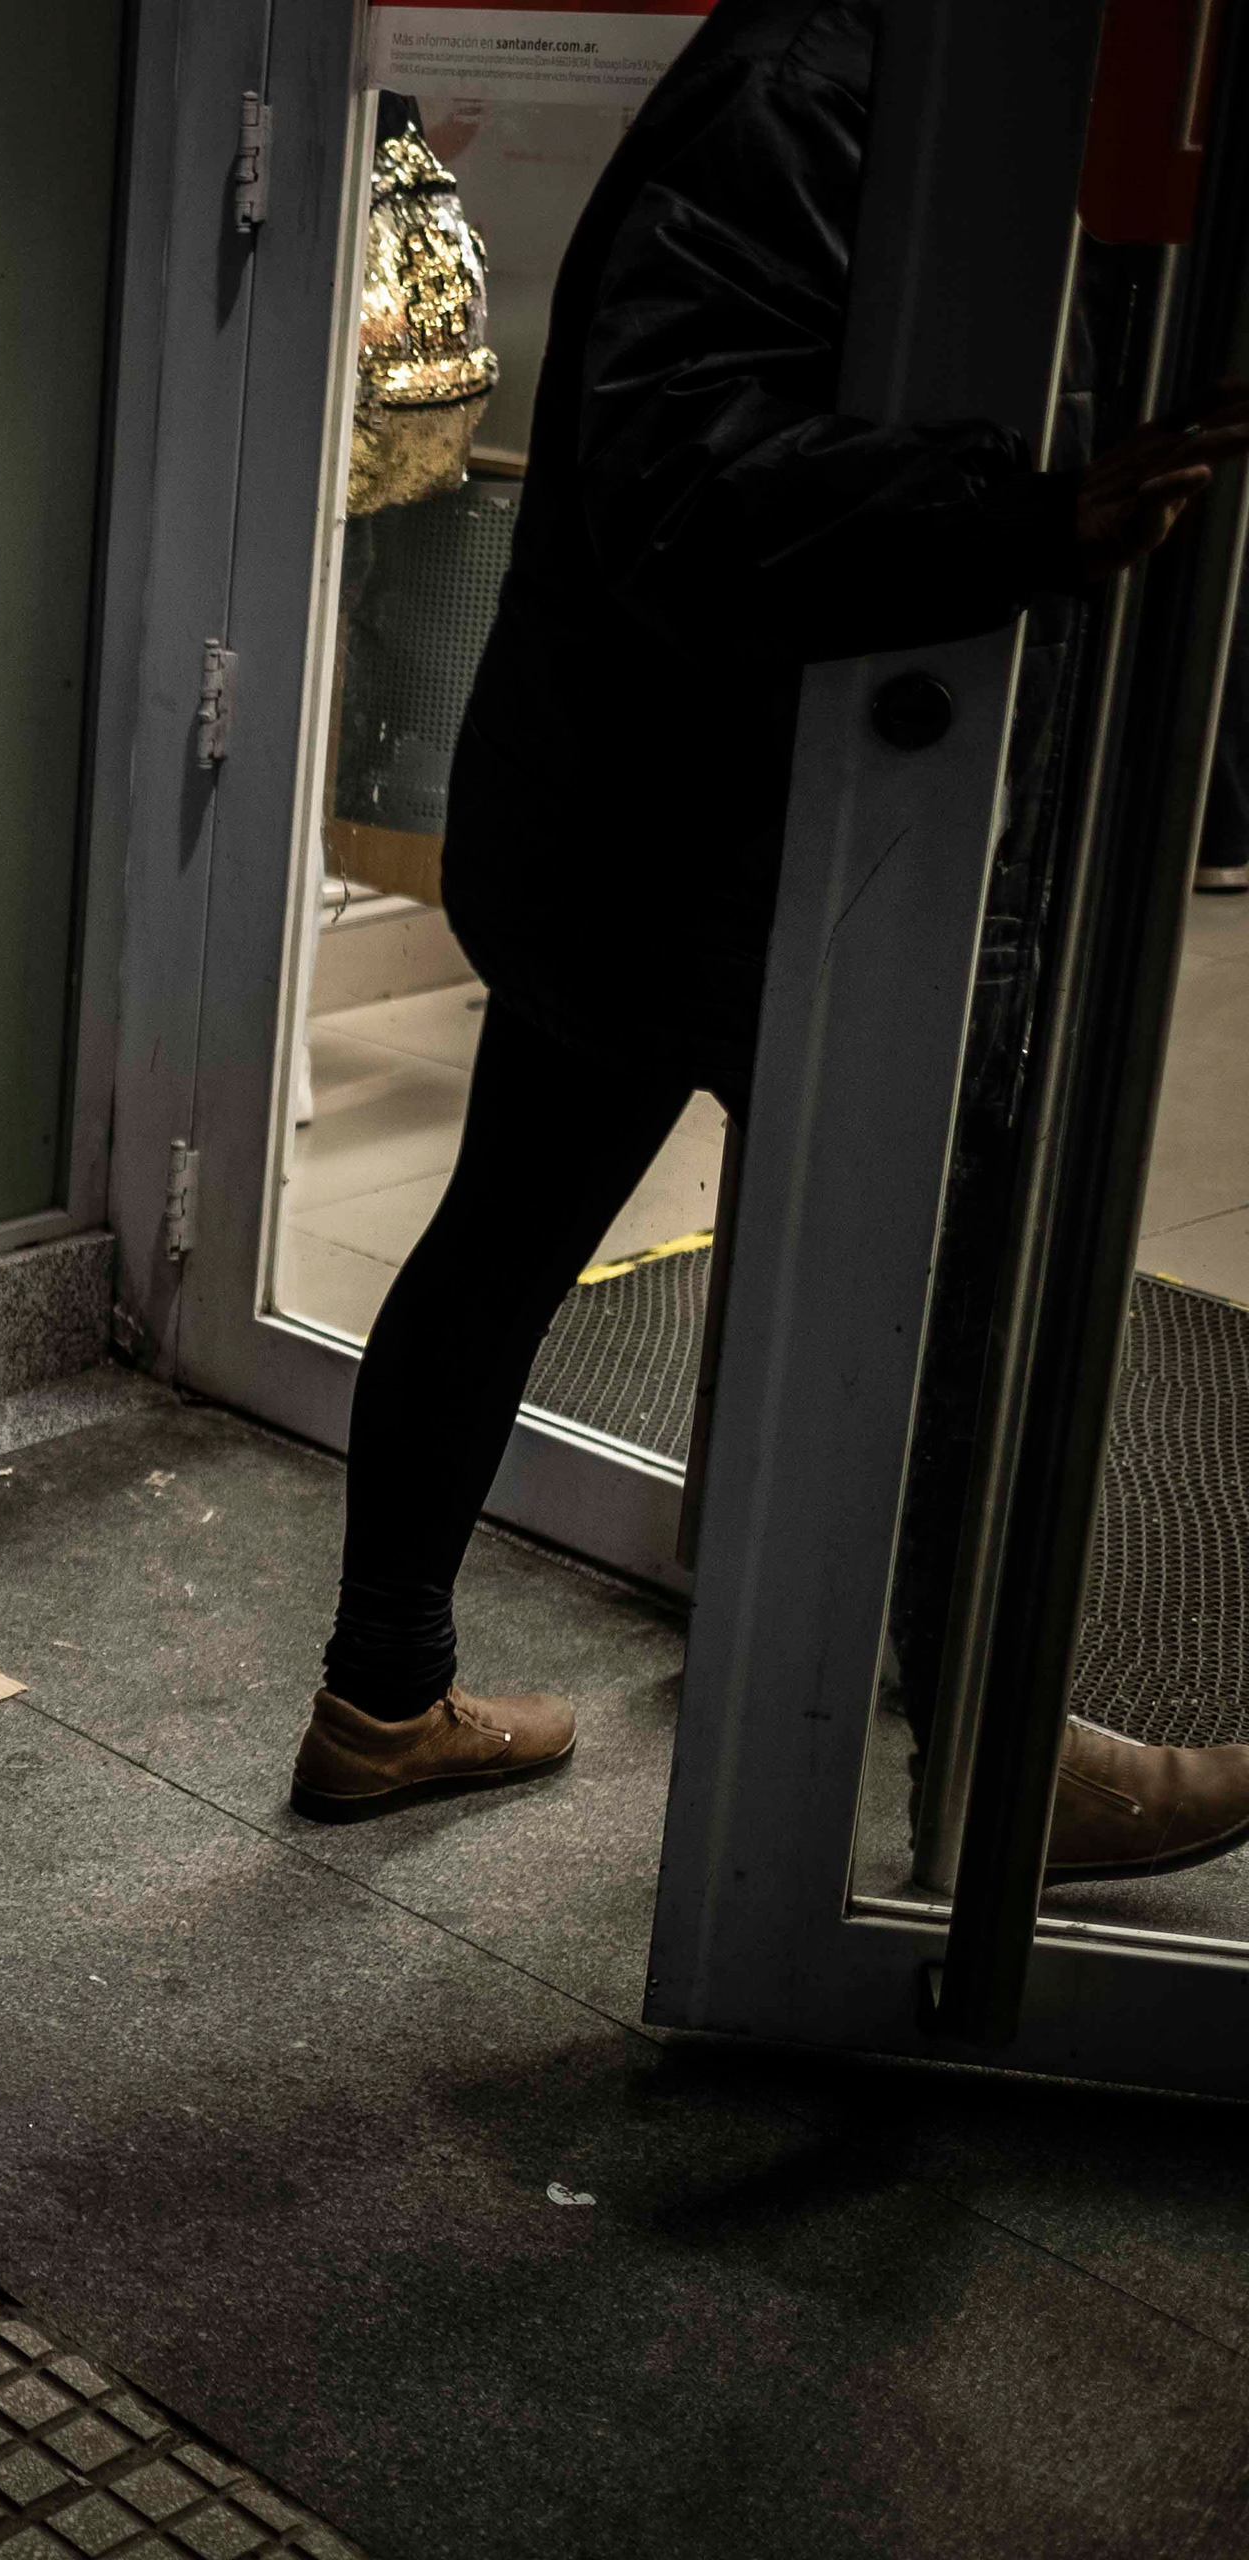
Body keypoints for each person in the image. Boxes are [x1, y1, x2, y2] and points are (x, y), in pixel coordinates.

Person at [291, 0, 1249, 1852]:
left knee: (510, 1230)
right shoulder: (833, 80)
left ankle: (384, 1702)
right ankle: (993, 1757)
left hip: (643, 810)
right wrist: (1026, 518)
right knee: (936, 1281)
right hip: (718, 836)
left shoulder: (863, 64)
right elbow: (686, 473)